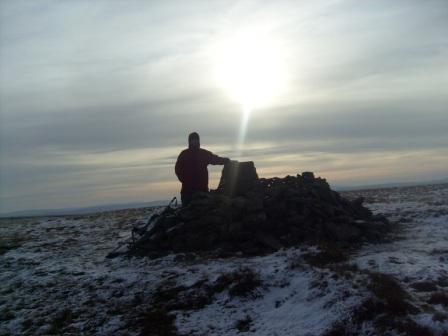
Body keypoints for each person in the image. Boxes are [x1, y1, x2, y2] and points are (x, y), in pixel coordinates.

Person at [175, 132, 230, 206]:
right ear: (189, 141)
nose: (194, 142)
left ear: (198, 141)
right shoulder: (184, 154)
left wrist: (226, 160)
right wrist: (184, 179)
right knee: (187, 214)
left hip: (202, 191)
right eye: (192, 140)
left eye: (196, 140)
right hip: (187, 193)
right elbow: (177, 169)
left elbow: (214, 159)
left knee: (202, 214)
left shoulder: (203, 153)